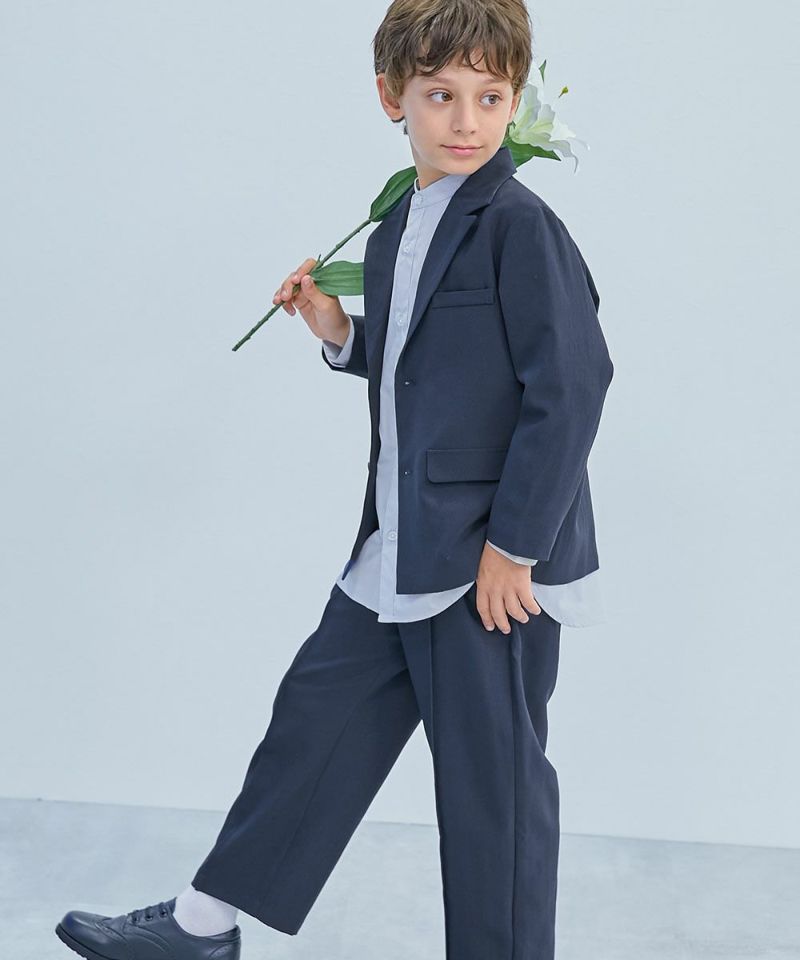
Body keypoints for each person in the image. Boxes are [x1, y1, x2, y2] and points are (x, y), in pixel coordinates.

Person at [55, 1, 614, 958]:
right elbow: (428, 370)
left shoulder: (522, 227)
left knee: (494, 792)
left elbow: (570, 388)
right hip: (401, 544)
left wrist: (515, 547)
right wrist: (339, 332)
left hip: (487, 564)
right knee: (313, 725)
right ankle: (202, 927)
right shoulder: (397, 225)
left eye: (489, 97)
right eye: (440, 96)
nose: (467, 121)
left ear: (515, 100)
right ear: (392, 97)